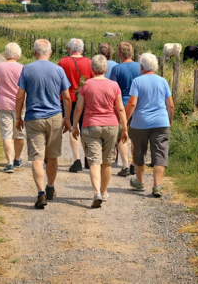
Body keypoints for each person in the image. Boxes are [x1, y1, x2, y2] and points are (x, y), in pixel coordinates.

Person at [15, 39, 72, 209]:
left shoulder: (27, 69)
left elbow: (20, 96)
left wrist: (18, 117)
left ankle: (41, 193)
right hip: (54, 117)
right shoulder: (59, 70)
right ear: (50, 53)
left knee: (37, 157)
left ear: (34, 52)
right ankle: (50, 187)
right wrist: (67, 119)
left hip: (34, 117)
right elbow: (67, 97)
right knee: (52, 156)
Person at [71, 55, 128, 208]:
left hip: (91, 125)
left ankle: (96, 192)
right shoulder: (114, 85)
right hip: (111, 126)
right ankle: (104, 191)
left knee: (94, 161)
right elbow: (120, 108)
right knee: (107, 162)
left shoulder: (85, 85)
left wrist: (74, 126)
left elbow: (79, 108)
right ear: (106, 68)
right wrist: (125, 128)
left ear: (92, 68)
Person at [126, 52, 174, 198]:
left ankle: (139, 181)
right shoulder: (163, 81)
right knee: (160, 153)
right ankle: (157, 186)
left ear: (141, 67)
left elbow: (132, 103)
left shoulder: (137, 81)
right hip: (161, 122)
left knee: (139, 151)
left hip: (140, 122)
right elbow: (170, 105)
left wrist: (125, 120)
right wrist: (169, 120)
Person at [0, 42, 25, 173]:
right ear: (18, 55)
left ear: (5, 54)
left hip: (3, 105)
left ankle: (9, 163)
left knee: (6, 134)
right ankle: (17, 159)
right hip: (20, 105)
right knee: (19, 134)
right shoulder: (23, 68)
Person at [58, 38, 92, 173]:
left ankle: (77, 159)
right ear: (82, 50)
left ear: (69, 49)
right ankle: (88, 158)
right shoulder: (89, 62)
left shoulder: (63, 62)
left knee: (73, 127)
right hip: (85, 99)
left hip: (68, 99)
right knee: (85, 128)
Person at [109, 42, 141, 177]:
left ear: (120, 54)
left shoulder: (117, 69)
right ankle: (134, 163)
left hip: (121, 105)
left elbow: (112, 89)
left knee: (122, 134)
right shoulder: (139, 67)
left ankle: (125, 165)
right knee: (135, 135)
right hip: (137, 104)